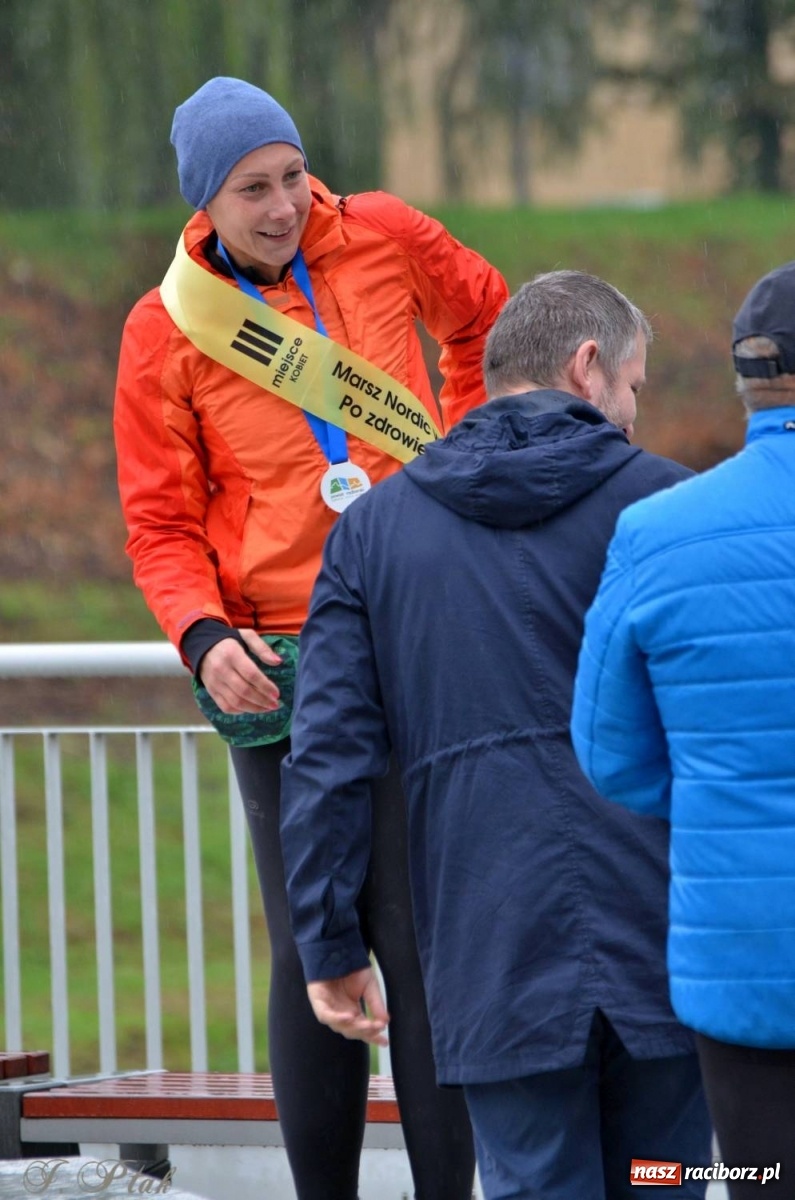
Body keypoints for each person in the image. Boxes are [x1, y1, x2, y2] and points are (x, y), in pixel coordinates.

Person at [113, 75, 509, 1200]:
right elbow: (157, 523)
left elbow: (487, 315)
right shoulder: (166, 329)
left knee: (422, 943)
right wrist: (198, 633)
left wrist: (464, 449)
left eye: (293, 175)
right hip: (283, 660)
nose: (285, 205)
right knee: (310, 942)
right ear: (205, 201)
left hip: (415, 625)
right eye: (254, 190)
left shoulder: (383, 231)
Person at [280, 270, 713, 1200]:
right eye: (634, 388)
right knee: (664, 1180)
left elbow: (326, 756)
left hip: (490, 944)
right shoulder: (674, 511)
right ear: (587, 366)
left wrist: (327, 943)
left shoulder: (373, 535)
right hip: (666, 937)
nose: (634, 415)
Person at [571, 261, 795, 1199]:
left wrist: (716, 787)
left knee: (756, 1177)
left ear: (746, 383)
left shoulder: (658, 532)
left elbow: (609, 753)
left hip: (736, 960)